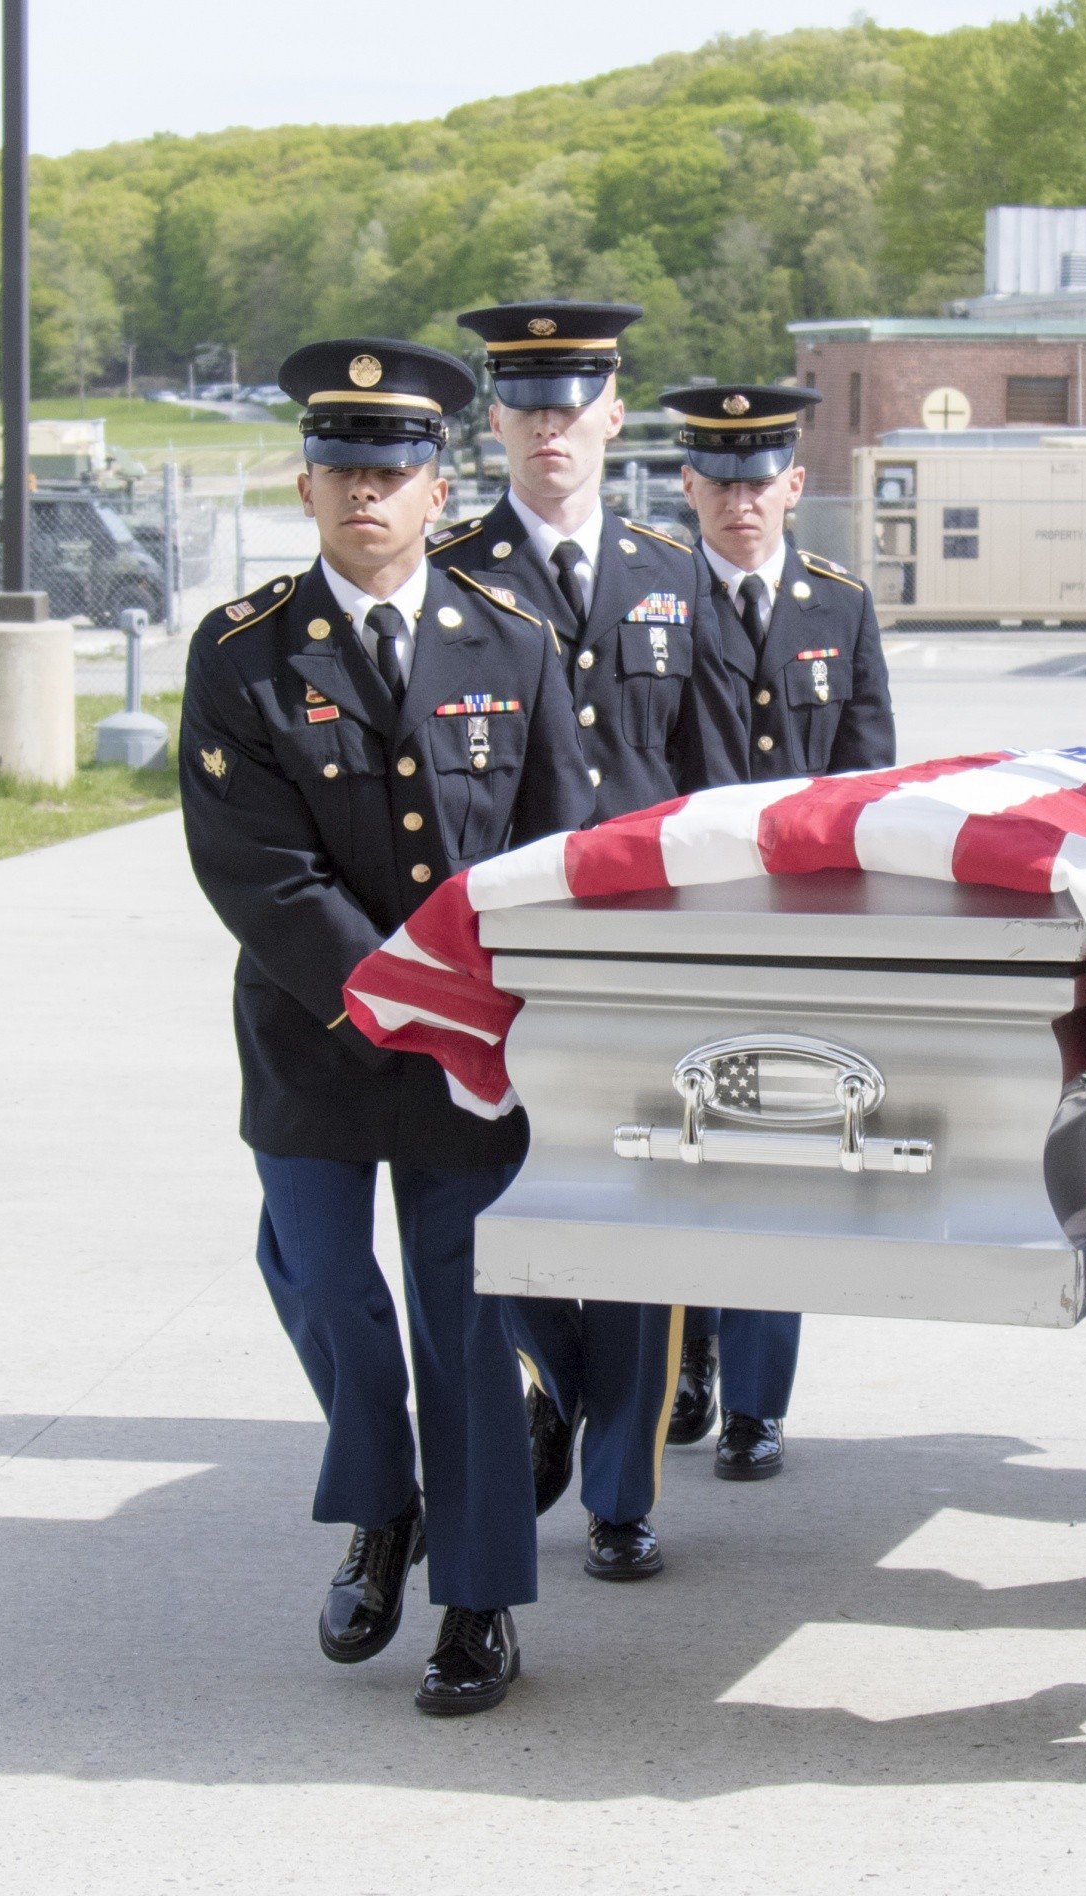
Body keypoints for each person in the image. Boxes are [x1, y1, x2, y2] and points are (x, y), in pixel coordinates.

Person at [179, 338, 594, 1714]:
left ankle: (476, 1602)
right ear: (306, 485)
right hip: (311, 1035)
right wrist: (390, 998)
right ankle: (381, 1501)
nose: (369, 490)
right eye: (343, 466)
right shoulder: (242, 654)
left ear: (439, 487)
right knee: (317, 1280)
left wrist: (490, 1014)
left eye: (395, 466)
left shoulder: (513, 642)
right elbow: (256, 869)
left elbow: (555, 851)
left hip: (472, 1055)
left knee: (464, 1320)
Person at [429, 301, 749, 1584]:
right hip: (499, 960)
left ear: (616, 416)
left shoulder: (672, 576)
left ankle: (620, 1492)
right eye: (525, 403)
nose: (549, 426)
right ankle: (553, 1384)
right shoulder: (448, 571)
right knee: (484, 1207)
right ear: (493, 422)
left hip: (643, 966)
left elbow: (716, 782)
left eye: (573, 403)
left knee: (640, 1229)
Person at [658, 382, 896, 1479]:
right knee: (685, 1150)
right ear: (688, 486)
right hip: (682, 931)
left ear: (795, 486)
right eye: (719, 480)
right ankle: (689, 1352)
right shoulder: (651, 605)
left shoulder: (838, 608)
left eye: (761, 480)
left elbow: (870, 784)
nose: (740, 501)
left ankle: (759, 1401)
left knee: (781, 1156)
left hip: (798, 934)